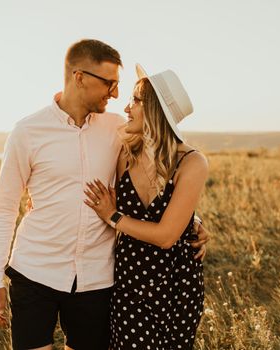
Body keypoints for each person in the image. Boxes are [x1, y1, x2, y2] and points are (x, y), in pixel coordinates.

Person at [0, 39, 209, 350]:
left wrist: (189, 221)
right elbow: (3, 209)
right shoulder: (28, 132)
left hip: (97, 278)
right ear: (80, 77)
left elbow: (154, 178)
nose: (116, 94)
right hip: (35, 271)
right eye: (110, 83)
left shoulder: (117, 129)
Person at [84, 64, 208, 349]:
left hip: (178, 284)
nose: (127, 108)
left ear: (156, 110)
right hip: (131, 282)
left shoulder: (191, 162)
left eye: (136, 101)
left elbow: (166, 236)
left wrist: (113, 217)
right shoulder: (125, 156)